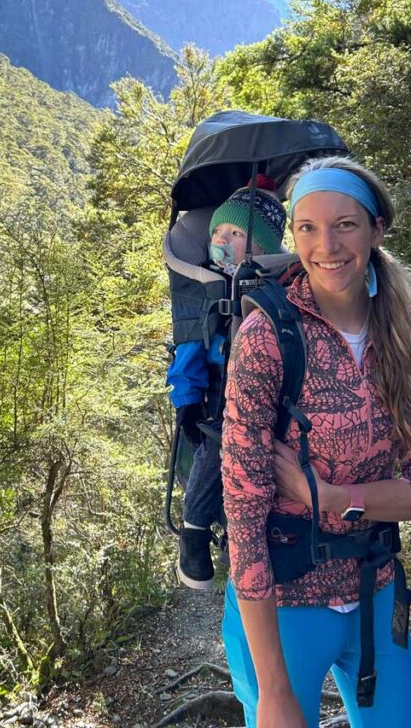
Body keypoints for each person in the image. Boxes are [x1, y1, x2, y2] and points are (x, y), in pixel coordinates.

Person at [220, 156, 411, 728]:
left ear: (376, 228)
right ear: (293, 234)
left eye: (345, 224)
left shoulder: (406, 330)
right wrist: (272, 690)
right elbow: (244, 511)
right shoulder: (267, 336)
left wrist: (330, 496)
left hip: (375, 587)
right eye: (308, 227)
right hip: (284, 605)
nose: (326, 245)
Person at [167, 177, 287, 590]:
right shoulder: (205, 291)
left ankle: (245, 544)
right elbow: (188, 351)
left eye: (236, 233)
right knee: (217, 447)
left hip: (273, 405)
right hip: (220, 406)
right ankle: (195, 532)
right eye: (219, 231)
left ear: (263, 248)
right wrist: (185, 401)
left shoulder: (283, 290)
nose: (222, 239)